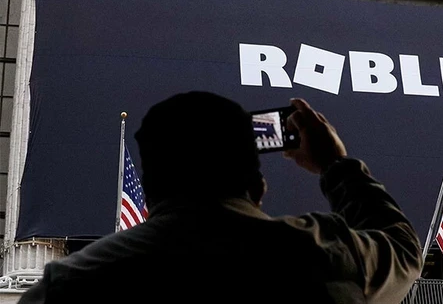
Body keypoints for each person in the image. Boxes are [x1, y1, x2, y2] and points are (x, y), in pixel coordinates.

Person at [19, 92, 422, 303]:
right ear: (258, 186)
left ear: (151, 188)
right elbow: (403, 251)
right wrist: (335, 164)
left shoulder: (67, 286)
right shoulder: (323, 254)